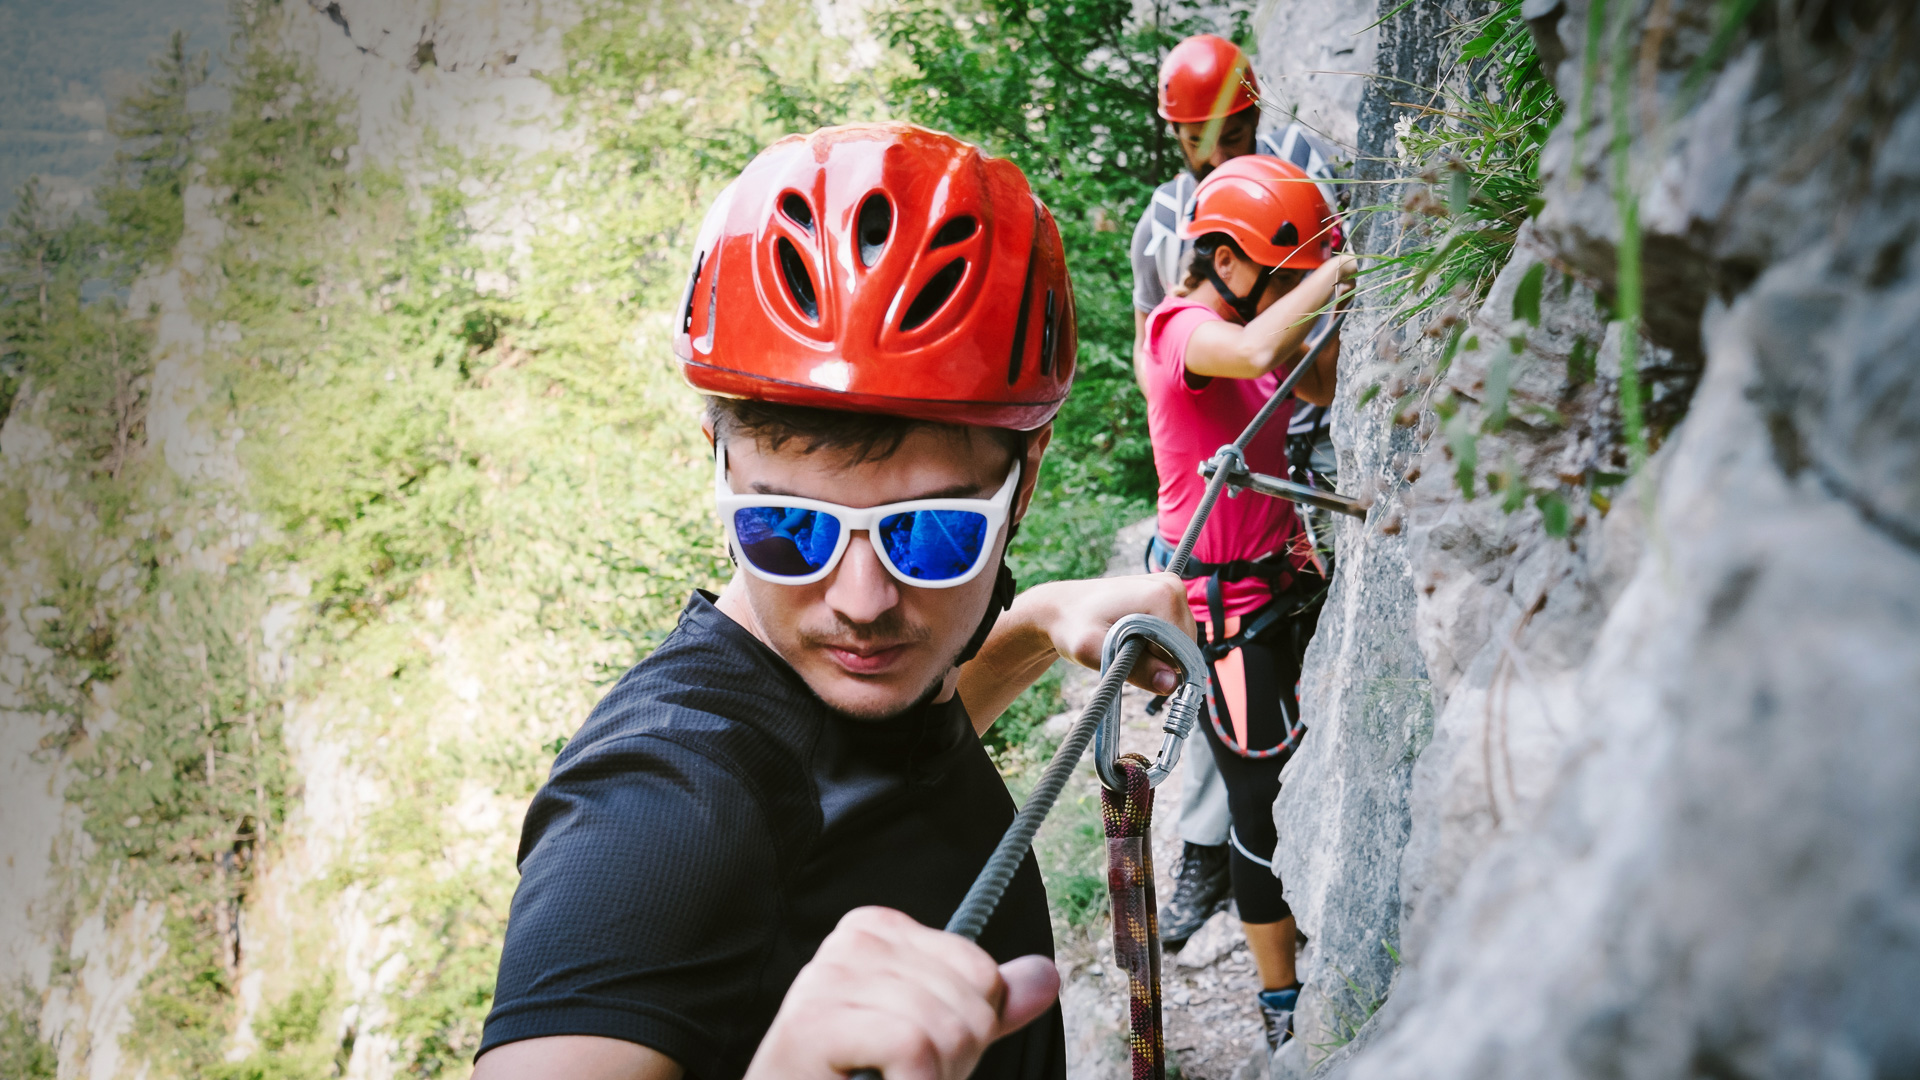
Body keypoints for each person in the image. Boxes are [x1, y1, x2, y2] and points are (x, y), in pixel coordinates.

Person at [471, 123, 1195, 1080]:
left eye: (933, 534)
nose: (862, 602)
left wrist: (1036, 622)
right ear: (718, 466)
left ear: (1023, 484)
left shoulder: (856, 680)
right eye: (789, 528)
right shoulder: (662, 801)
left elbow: (872, 765)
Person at [1130, 31, 1351, 953]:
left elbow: (1316, 383)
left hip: (1282, 554)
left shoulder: (1261, 297)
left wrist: (1294, 300)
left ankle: (1284, 931)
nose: (1214, 149)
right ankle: (1272, 985)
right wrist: (1333, 275)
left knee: (1287, 762)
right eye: (1198, 138)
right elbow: (1233, 353)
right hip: (1224, 591)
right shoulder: (1176, 308)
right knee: (1256, 788)